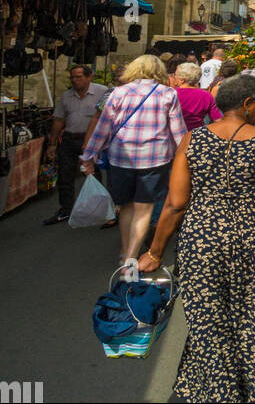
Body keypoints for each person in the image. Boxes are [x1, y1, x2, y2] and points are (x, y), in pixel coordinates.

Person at [139, 74, 255, 404]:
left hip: (201, 241)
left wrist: (155, 251)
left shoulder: (193, 140)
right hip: (253, 241)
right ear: (248, 104)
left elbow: (175, 203)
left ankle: (217, 393)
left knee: (209, 322)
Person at [80, 55, 187, 264]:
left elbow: (104, 126)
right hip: (154, 159)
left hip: (121, 158)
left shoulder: (119, 92)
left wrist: (89, 156)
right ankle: (131, 256)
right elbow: (178, 132)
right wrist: (187, 158)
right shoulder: (167, 93)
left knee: (126, 206)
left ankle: (124, 251)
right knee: (144, 208)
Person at [43, 64, 109, 225]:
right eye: (72, 77)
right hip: (69, 140)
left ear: (89, 77)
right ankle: (65, 210)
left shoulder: (102, 91)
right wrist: (52, 144)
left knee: (93, 175)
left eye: (79, 77)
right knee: (65, 176)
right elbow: (59, 120)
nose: (75, 80)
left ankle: (99, 210)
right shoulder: (67, 96)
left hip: (93, 142)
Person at [174, 62, 223, 130]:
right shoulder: (205, 95)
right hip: (198, 134)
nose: (174, 77)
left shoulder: (170, 93)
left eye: (175, 75)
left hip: (175, 133)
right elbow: (218, 120)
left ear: (182, 80)